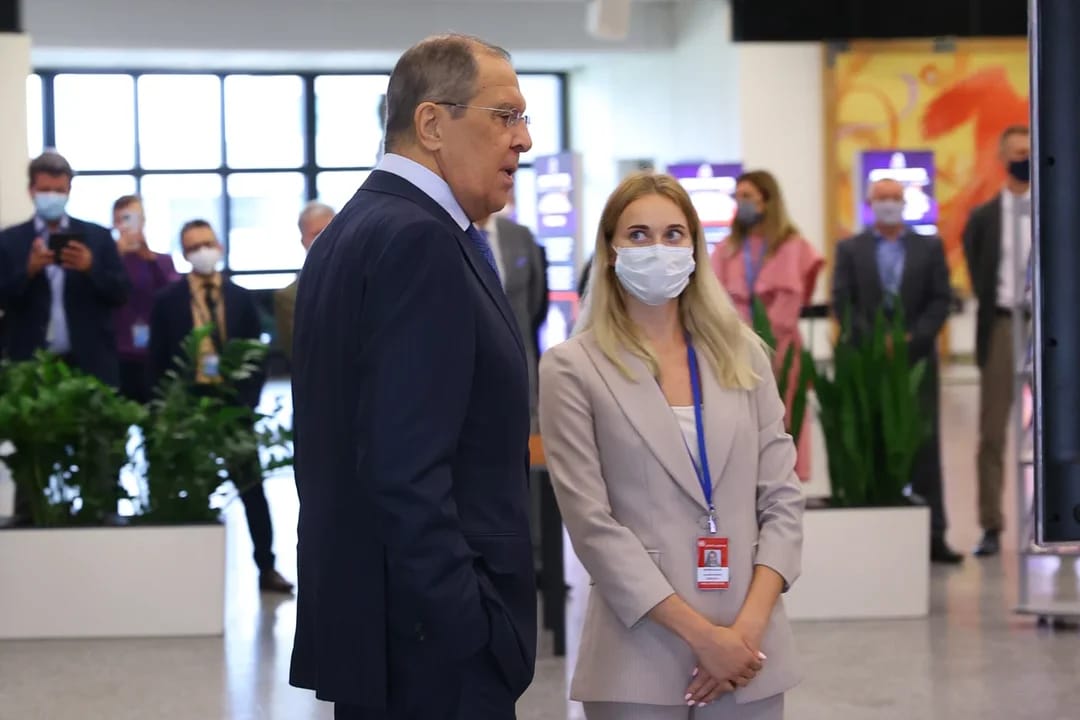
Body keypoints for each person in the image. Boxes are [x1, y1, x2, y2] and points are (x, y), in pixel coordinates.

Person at [289, 34, 537, 719]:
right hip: (431, 649)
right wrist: (471, 627)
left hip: (384, 630)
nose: (523, 139)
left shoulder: (357, 228)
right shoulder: (420, 240)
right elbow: (403, 467)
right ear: (431, 124)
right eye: (505, 115)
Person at [539, 172, 804, 719]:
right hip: (637, 652)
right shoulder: (572, 368)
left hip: (749, 649)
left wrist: (743, 632)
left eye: (673, 234)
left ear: (694, 249)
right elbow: (592, 525)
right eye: (638, 235)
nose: (657, 248)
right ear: (610, 252)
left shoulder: (744, 355)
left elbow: (782, 498)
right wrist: (703, 638)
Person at [149, 220, 294, 594]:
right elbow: (158, 360)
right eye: (193, 246)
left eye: (207, 243)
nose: (202, 251)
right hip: (188, 405)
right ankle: (180, 574)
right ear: (184, 254)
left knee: (251, 488)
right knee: (184, 488)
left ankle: (267, 567)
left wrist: (247, 398)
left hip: (233, 404)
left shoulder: (240, 298)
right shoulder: (167, 302)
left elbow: (257, 354)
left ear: (220, 247)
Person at [833, 178, 962, 564]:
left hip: (917, 359)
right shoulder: (850, 249)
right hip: (868, 363)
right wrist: (875, 342)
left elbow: (941, 299)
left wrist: (912, 339)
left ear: (905, 203)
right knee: (871, 441)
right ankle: (877, 535)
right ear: (869, 203)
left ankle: (934, 536)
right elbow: (843, 301)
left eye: (895, 198)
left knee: (925, 445)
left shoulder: (929, 247)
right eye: (882, 198)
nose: (889, 204)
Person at [711, 170, 822, 482]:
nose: (741, 203)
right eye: (738, 197)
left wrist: (763, 337)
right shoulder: (728, 248)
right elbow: (715, 298)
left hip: (782, 349)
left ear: (767, 200)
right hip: (733, 348)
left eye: (748, 196)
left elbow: (793, 298)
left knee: (785, 414)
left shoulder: (794, 246)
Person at [961, 125, 1031, 558]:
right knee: (992, 432)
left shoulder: (1054, 208)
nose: (1025, 159)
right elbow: (976, 268)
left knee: (1061, 426)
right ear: (1003, 158)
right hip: (1003, 325)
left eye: (1030, 151)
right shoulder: (984, 218)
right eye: (1017, 152)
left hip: (1047, 327)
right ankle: (991, 524)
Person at [0, 151, 129, 384]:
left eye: (59, 191)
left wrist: (91, 267)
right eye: (45, 190)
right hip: (29, 366)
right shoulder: (9, 241)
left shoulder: (97, 237)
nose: (52, 197)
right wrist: (28, 271)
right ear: (31, 190)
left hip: (90, 364)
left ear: (69, 191)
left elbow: (121, 293)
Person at [112, 194, 179, 403]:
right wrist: (115, 256)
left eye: (135, 217)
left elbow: (173, 296)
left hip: (155, 352)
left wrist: (150, 259)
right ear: (115, 222)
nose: (130, 224)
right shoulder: (108, 261)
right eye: (124, 218)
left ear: (143, 220)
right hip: (119, 354)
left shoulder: (162, 261)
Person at [274, 201, 335, 365]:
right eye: (316, 234)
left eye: (331, 230)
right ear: (303, 241)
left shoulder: (365, 279)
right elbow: (298, 352)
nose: (326, 238)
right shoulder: (289, 296)